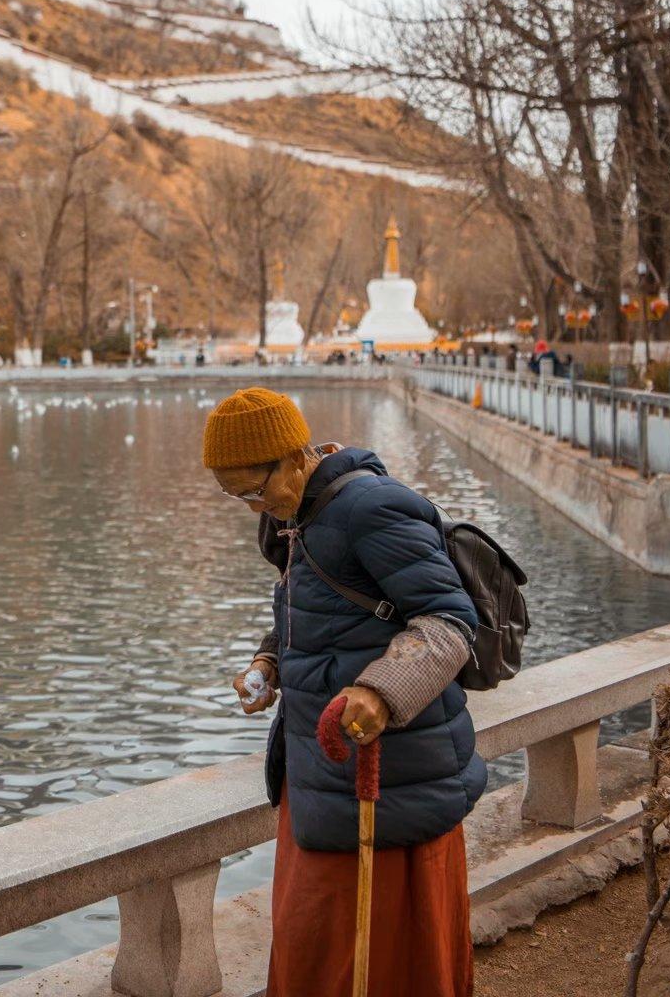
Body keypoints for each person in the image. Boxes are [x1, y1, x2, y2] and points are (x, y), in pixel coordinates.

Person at [206, 387, 484, 996]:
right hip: (321, 776)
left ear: (295, 457)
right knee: (315, 952)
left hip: (389, 780)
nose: (251, 505)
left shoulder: (370, 508)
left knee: (385, 962)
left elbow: (451, 621)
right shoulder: (294, 517)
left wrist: (381, 691)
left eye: (254, 488)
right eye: (235, 495)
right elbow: (313, 605)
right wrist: (268, 662)